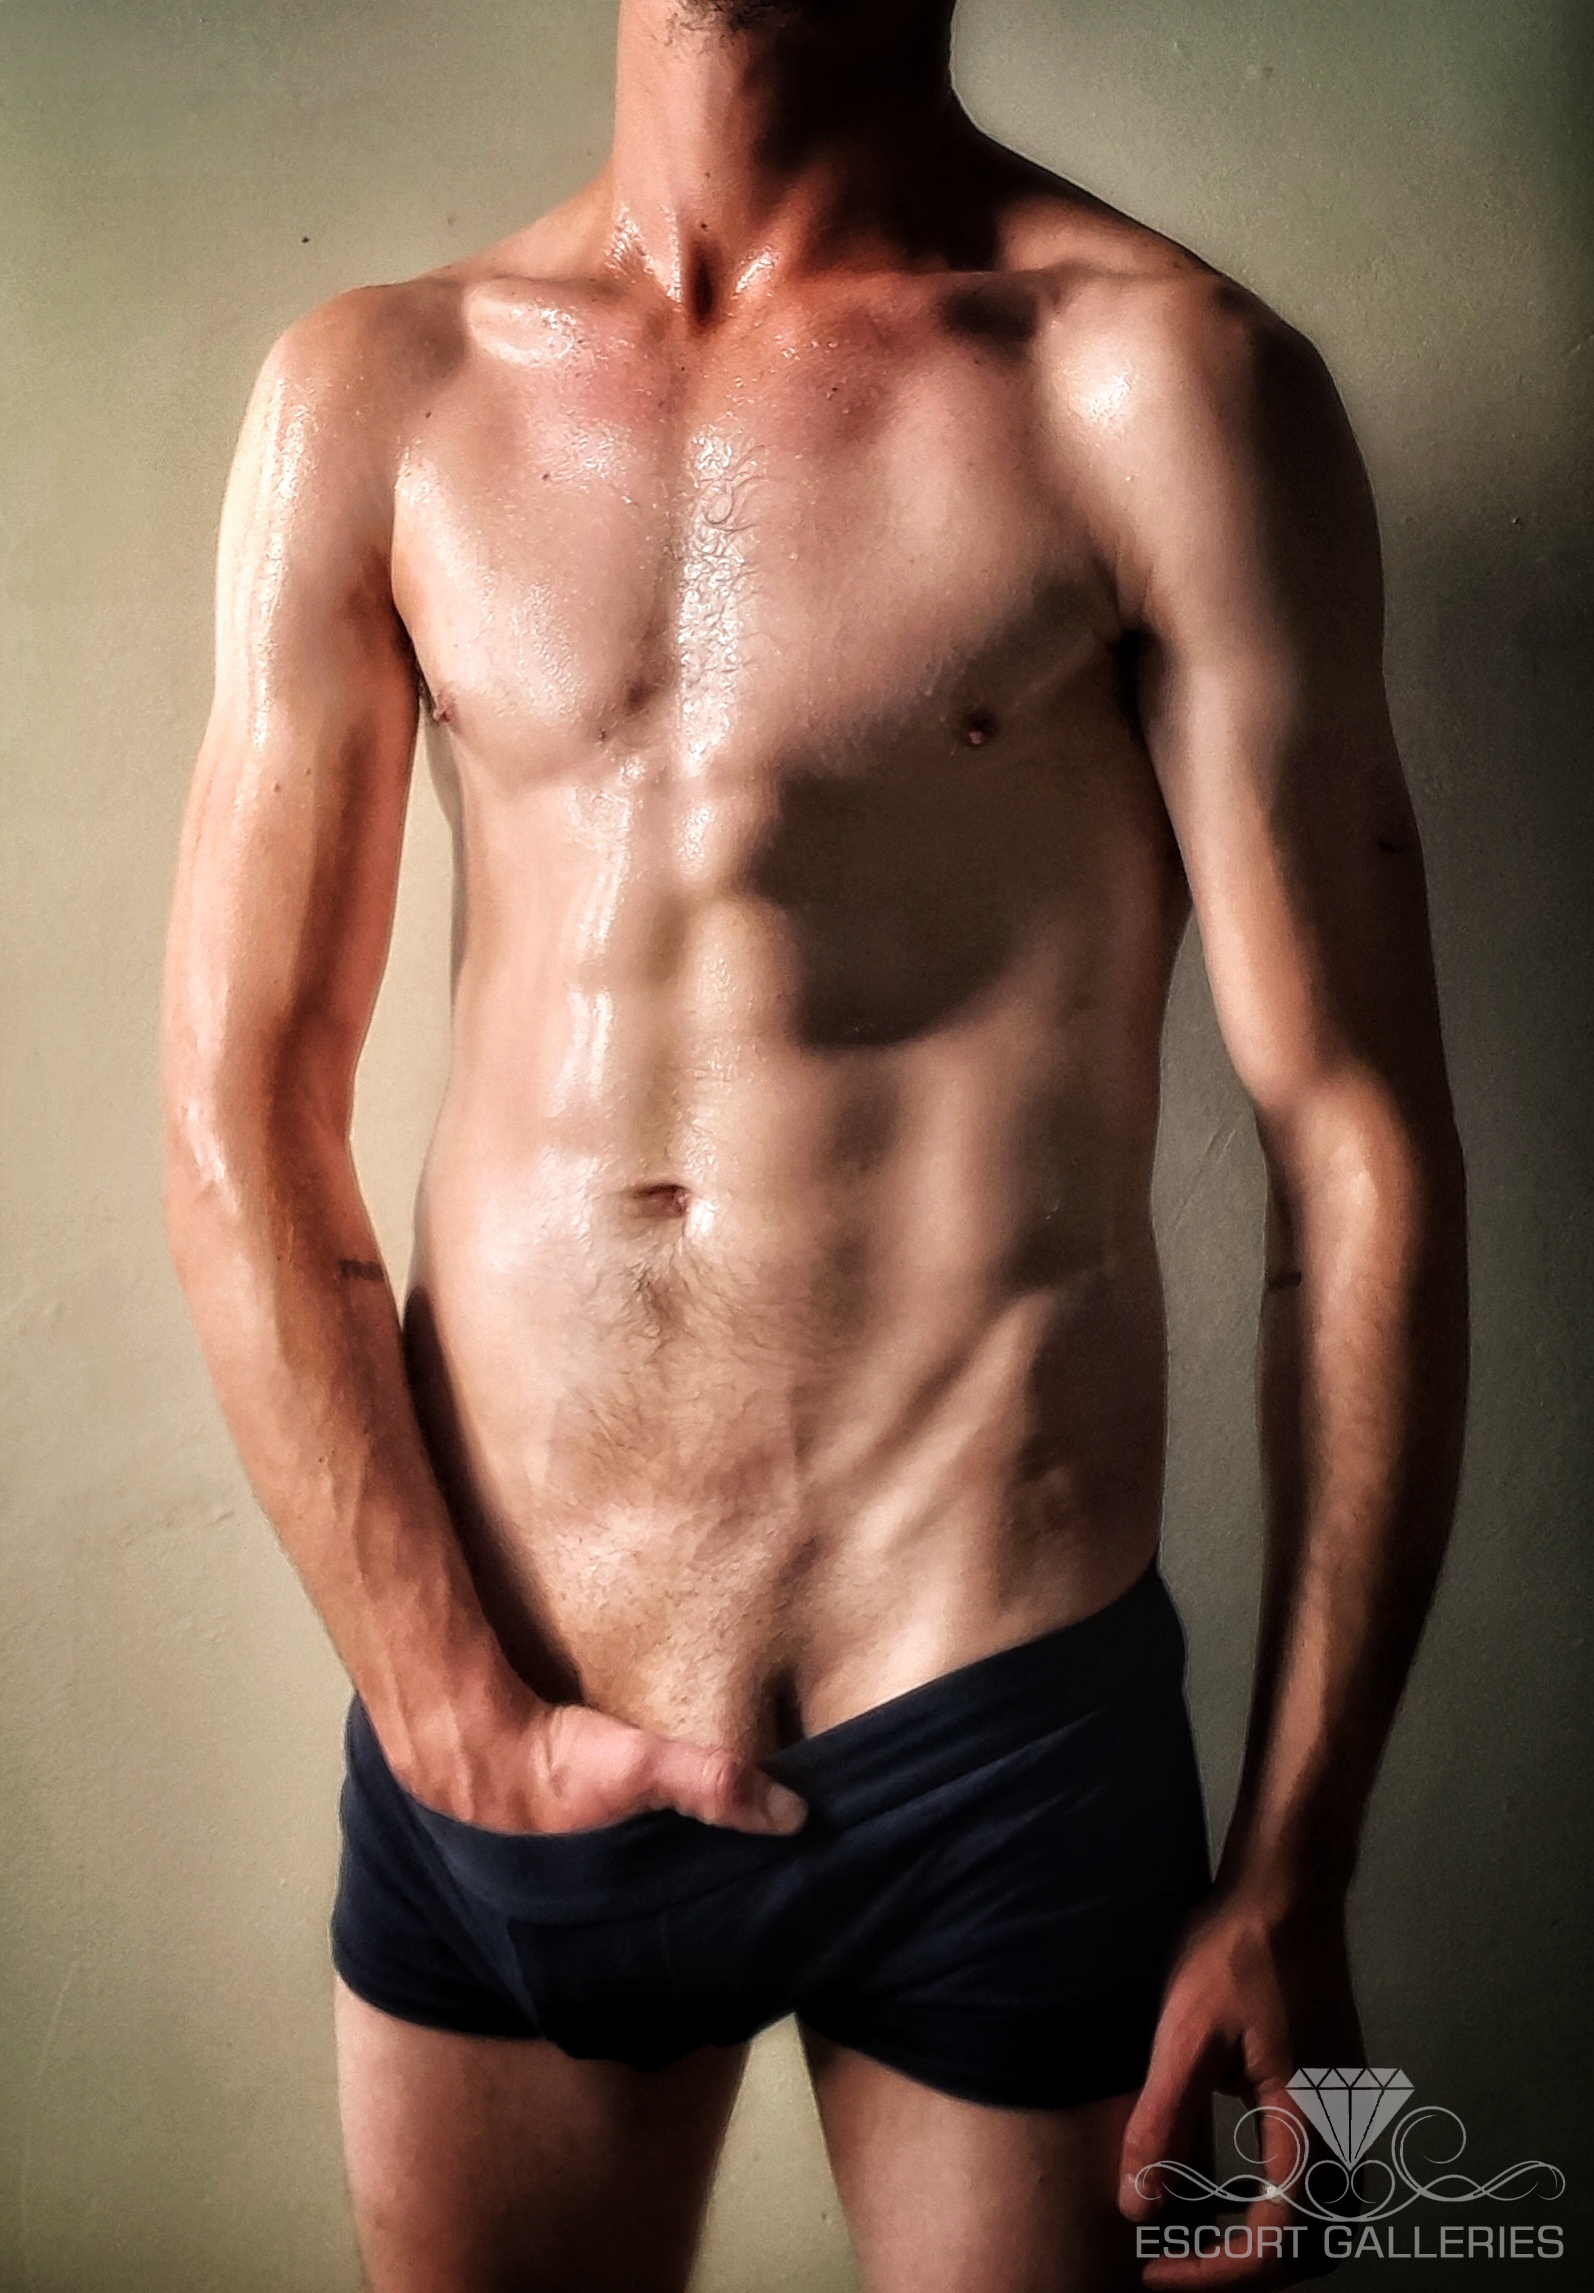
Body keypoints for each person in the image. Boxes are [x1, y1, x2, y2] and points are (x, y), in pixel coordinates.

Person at [160, 0, 1468, 2286]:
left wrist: (1295, 1856)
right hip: (507, 1707)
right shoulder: (380, 394)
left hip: (987, 1722)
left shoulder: (1154, 385)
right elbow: (236, 1105)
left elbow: (1356, 1144)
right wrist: (450, 1712)